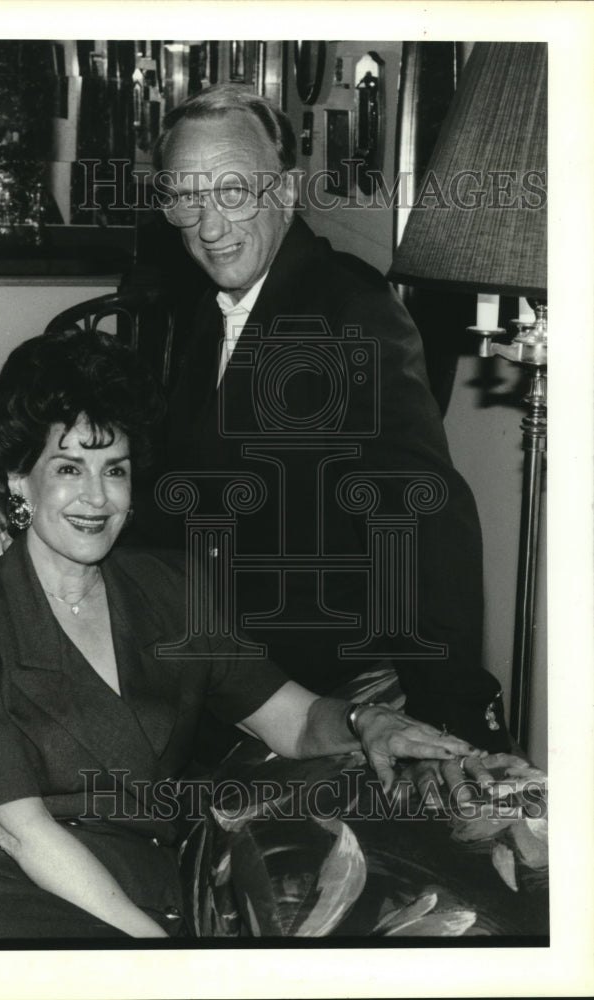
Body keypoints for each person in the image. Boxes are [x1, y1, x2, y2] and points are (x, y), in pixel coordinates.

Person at [0, 329, 485, 941]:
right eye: (68, 468)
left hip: (138, 886)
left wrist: (364, 721)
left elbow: (293, 721)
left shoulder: (174, 589)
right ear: (19, 481)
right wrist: (160, 954)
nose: (96, 497)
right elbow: (16, 829)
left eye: (113, 469)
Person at [147, 84, 513, 781]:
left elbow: (424, 518)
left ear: (285, 190)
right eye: (184, 197)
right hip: (229, 672)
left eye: (231, 192)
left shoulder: (347, 311)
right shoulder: (211, 308)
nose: (207, 225)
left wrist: (445, 716)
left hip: (323, 683)